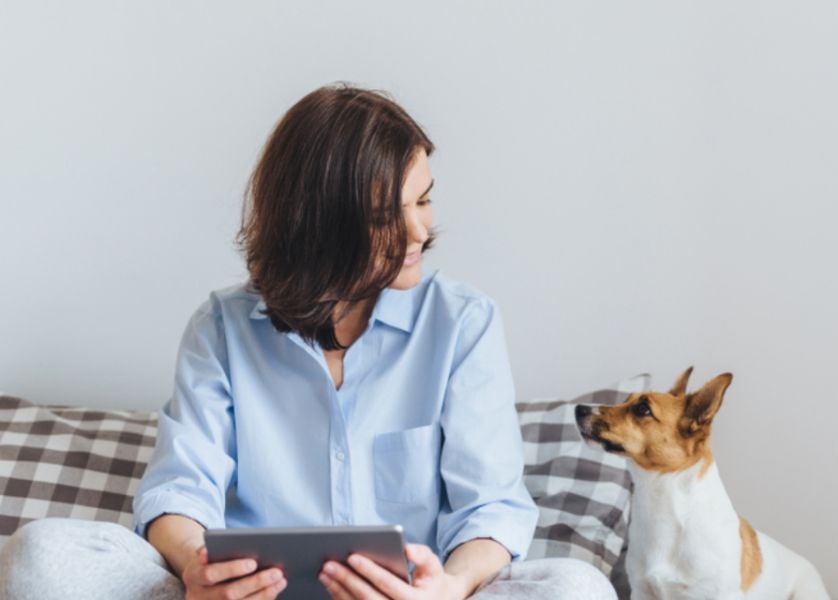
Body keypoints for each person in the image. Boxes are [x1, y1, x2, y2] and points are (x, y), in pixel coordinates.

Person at [0, 83, 616, 600]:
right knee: (43, 556)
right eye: (385, 216)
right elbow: (181, 487)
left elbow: (492, 509)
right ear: (319, 224)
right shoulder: (222, 328)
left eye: (423, 200)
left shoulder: (462, 324)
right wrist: (196, 567)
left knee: (576, 588)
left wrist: (450, 587)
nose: (419, 232)